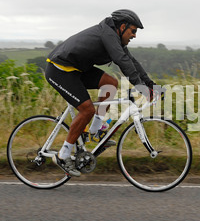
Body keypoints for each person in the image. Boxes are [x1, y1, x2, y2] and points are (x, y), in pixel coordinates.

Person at [45, 9, 157, 176]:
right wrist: (140, 87)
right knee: (87, 109)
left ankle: (95, 131)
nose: (134, 35)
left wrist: (150, 84)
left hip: (77, 69)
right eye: (133, 31)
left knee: (111, 84)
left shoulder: (115, 37)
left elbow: (131, 61)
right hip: (59, 70)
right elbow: (121, 61)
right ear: (122, 26)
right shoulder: (108, 34)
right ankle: (64, 154)